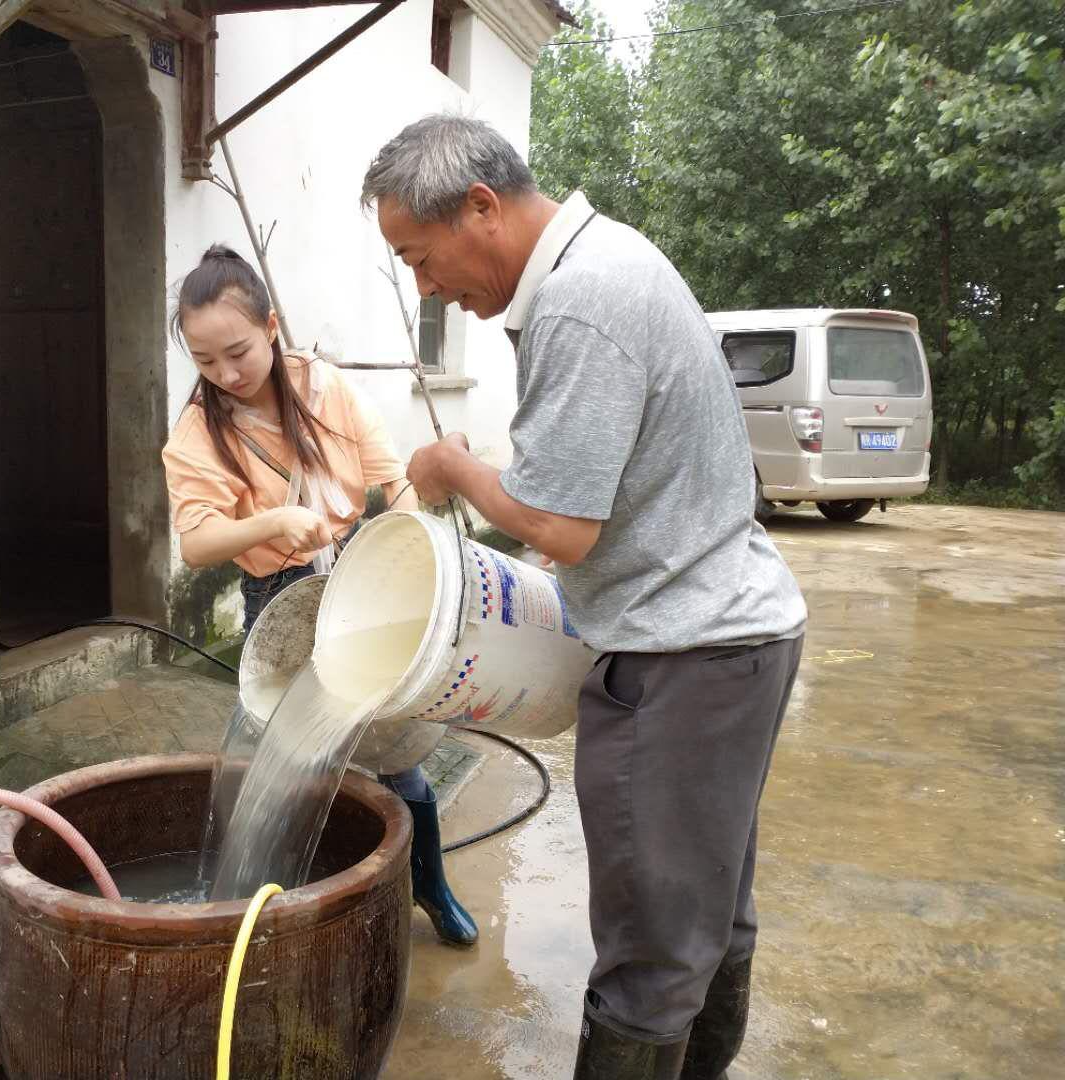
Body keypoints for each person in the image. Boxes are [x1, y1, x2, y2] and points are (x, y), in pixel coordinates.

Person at [360, 116, 808, 1078]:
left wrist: (450, 465)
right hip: (733, 633)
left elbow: (562, 529)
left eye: (420, 257)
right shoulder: (607, 258)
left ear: (481, 206)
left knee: (652, 944)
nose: (425, 286)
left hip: (686, 652)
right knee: (704, 903)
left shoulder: (579, 301)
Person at [160, 244, 477, 946]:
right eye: (206, 362)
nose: (226, 374)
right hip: (278, 595)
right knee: (295, 763)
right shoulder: (196, 433)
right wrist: (273, 520)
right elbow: (198, 542)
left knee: (398, 752)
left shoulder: (324, 388)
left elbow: (393, 483)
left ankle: (429, 886)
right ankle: (302, 907)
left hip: (360, 582)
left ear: (271, 326)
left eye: (238, 352)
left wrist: (413, 556)